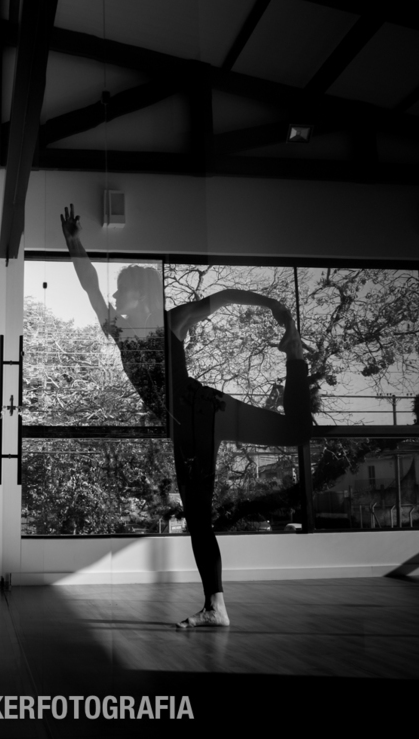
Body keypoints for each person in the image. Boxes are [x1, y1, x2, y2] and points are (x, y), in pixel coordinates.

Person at [60, 204, 311, 629]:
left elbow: (225, 298)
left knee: (294, 433)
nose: (117, 299)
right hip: (191, 423)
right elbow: (89, 288)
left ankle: (295, 358)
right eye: (117, 295)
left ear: (144, 294)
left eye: (124, 292)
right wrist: (73, 244)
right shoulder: (119, 331)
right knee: (199, 515)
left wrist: (274, 305)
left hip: (200, 410)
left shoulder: (171, 321)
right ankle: (216, 606)